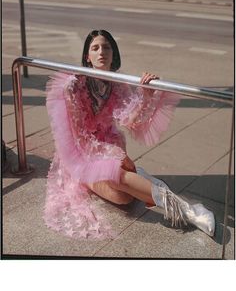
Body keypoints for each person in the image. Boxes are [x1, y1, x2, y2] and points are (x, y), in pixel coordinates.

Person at [44, 29, 215, 239]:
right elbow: (79, 140)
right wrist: (113, 153)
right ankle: (171, 199)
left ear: (113, 54)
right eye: (95, 48)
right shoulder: (74, 85)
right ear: (87, 56)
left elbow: (131, 121)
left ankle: (189, 211)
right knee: (122, 197)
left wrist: (145, 95)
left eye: (106, 47)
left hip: (107, 146)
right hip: (81, 157)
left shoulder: (117, 84)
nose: (101, 52)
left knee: (123, 192)